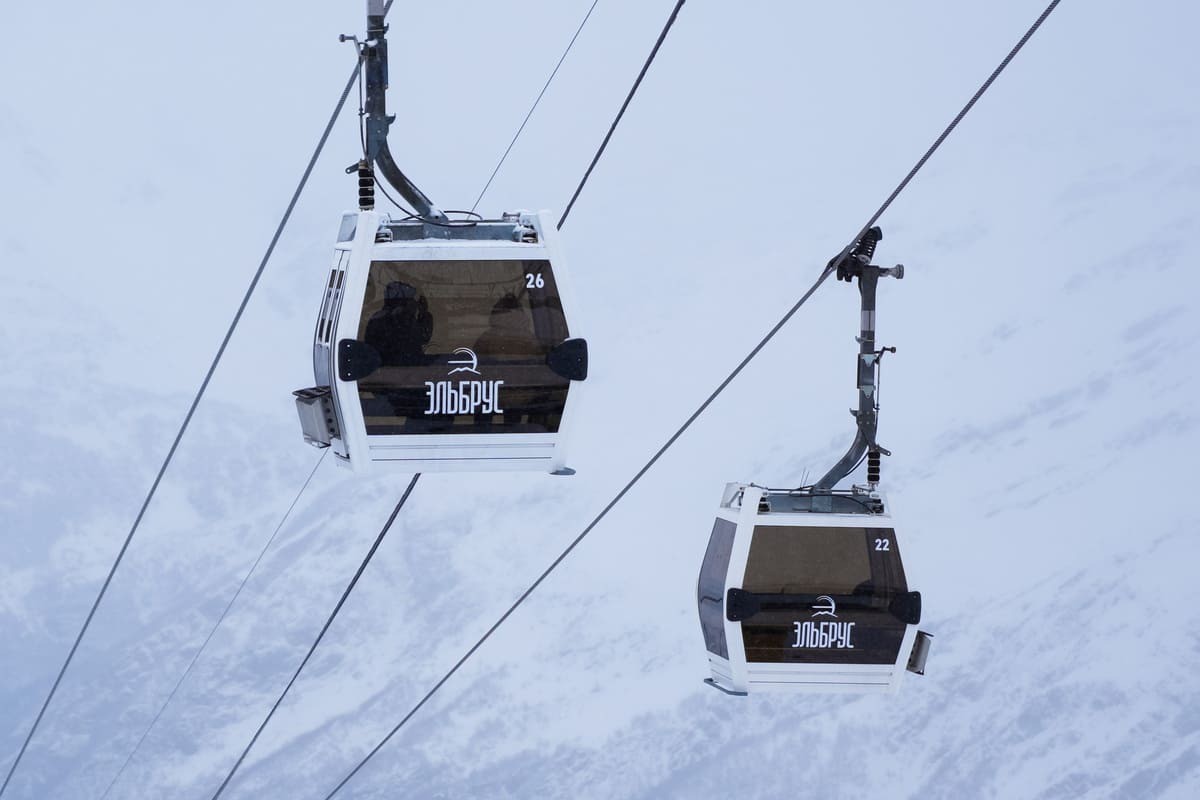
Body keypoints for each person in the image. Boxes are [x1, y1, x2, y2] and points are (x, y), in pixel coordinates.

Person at [365, 280, 434, 366]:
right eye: (412, 301)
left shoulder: (378, 317)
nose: (414, 304)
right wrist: (424, 313)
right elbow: (423, 337)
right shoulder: (402, 319)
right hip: (400, 370)